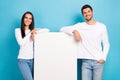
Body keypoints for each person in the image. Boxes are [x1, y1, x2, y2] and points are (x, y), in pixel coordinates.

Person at [60, 4, 110, 80]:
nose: (87, 14)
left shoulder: (101, 26)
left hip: (98, 62)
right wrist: (74, 31)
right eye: (85, 13)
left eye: (88, 11)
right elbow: (62, 29)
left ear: (92, 12)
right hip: (85, 62)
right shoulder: (80, 26)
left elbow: (106, 44)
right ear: (83, 15)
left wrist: (103, 58)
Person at [15, 11, 49, 80]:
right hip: (23, 61)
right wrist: (30, 33)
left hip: (33, 60)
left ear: (32, 21)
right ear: (23, 19)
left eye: (30, 18)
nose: (28, 20)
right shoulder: (18, 30)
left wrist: (34, 31)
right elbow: (21, 43)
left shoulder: (33, 31)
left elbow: (47, 30)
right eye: (26, 18)